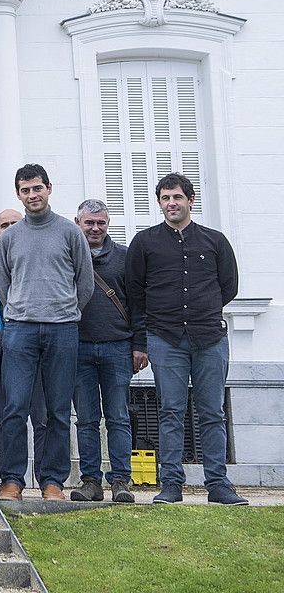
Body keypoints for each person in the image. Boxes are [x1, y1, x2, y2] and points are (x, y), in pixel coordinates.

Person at [127, 173, 245, 506]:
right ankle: (172, 484)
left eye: (177, 197)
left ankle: (218, 484)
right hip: (165, 339)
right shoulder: (145, 243)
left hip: (209, 337)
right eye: (165, 198)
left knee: (212, 413)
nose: (171, 204)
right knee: (171, 412)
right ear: (159, 202)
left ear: (190, 200)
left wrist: (202, 309)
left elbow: (229, 286)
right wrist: (143, 338)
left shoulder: (215, 241)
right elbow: (136, 293)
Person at [0, 164, 92, 502]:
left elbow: (86, 283)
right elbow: (3, 287)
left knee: (57, 410)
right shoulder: (10, 237)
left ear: (49, 188)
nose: (32, 195)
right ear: (18, 194)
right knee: (15, 408)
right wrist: (23, 310)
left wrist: (63, 311)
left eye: (37, 188)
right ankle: (12, 481)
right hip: (19, 330)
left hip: (62, 329)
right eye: (25, 190)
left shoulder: (70, 232)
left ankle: (53, 481)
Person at [71, 199, 143, 504]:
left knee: (118, 418)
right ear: (78, 223)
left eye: (100, 223)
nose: (95, 228)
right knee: (86, 420)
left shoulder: (126, 258)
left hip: (117, 347)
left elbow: (140, 304)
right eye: (89, 223)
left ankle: (121, 480)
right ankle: (91, 481)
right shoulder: (69, 256)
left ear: (108, 224)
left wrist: (140, 344)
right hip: (78, 348)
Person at [0, 208, 44, 498]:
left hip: (35, 346)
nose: (9, 228)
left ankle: (48, 480)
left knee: (42, 419)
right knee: (4, 420)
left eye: (15, 223)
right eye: (4, 224)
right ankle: (9, 479)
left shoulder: (38, 261)